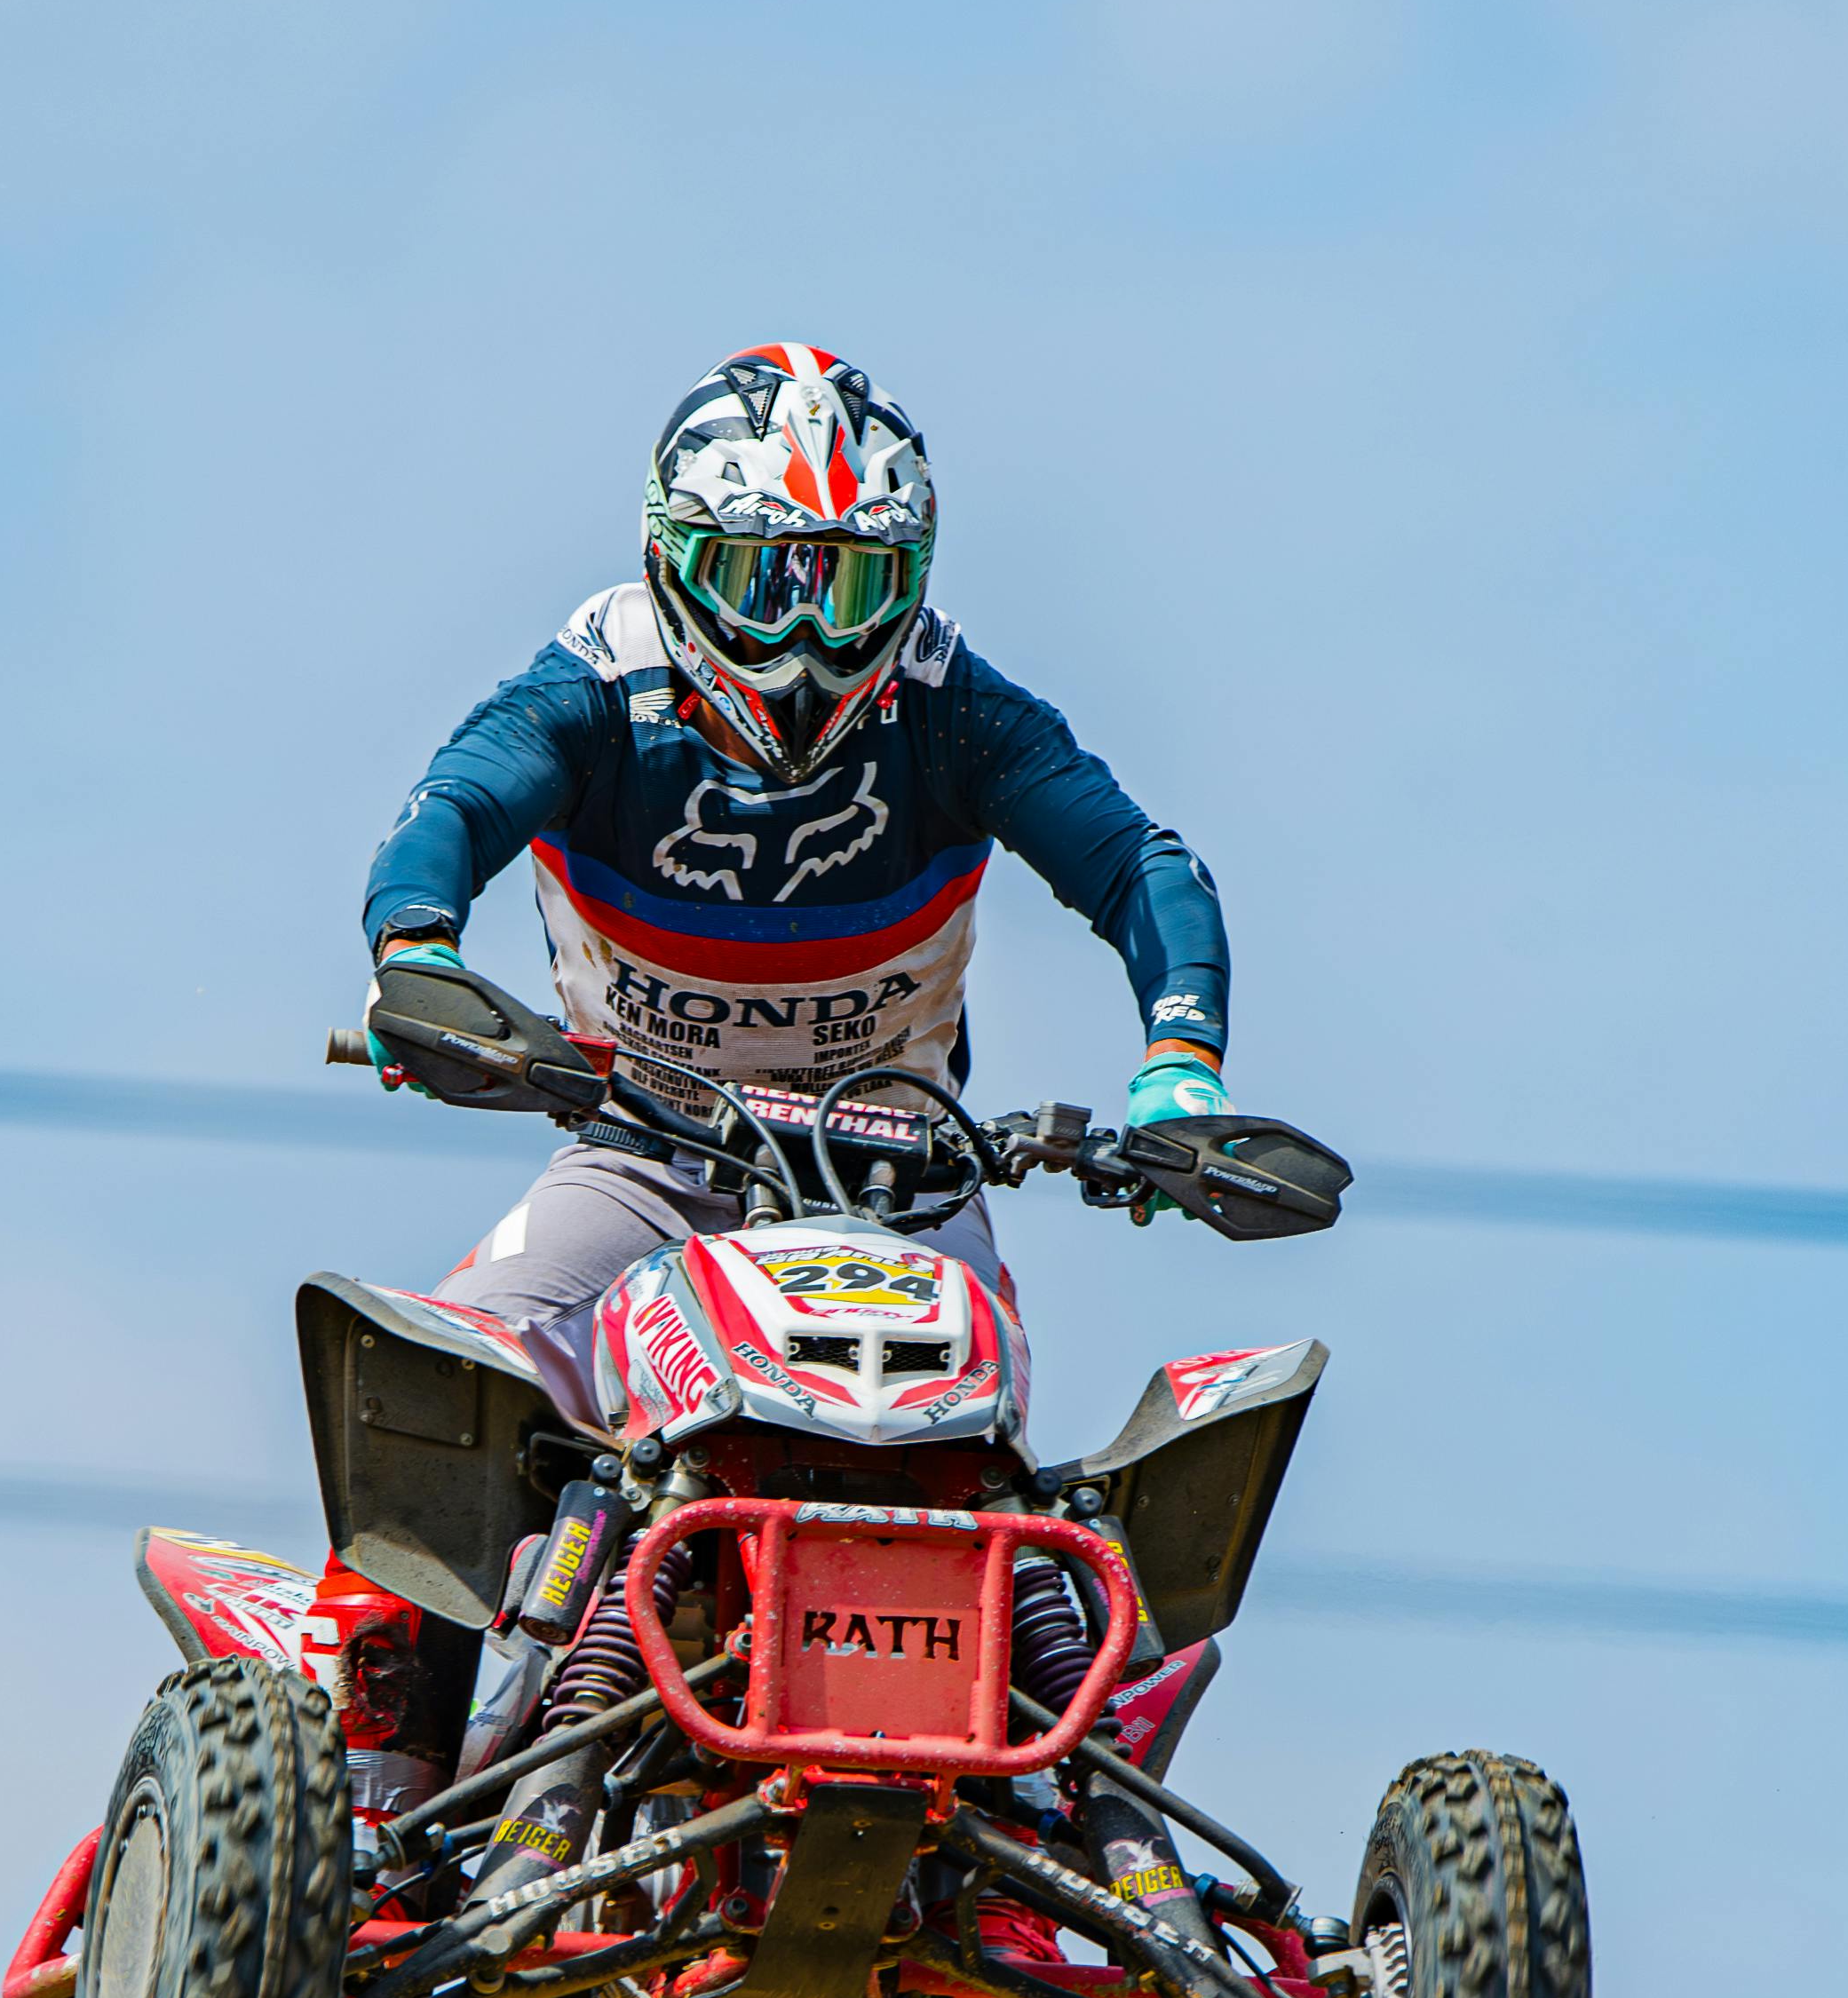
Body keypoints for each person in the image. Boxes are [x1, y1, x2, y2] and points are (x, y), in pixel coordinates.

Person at [360, 343, 1234, 1413]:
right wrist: (415, 954)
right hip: (642, 1158)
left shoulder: (950, 699)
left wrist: (1181, 1062)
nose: (807, 641)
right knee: (438, 1381)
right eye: (758, 581)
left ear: (911, 576)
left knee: (978, 1436)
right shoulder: (598, 674)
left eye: (852, 584)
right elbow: (452, 807)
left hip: (899, 1181)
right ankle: (353, 1595)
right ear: (667, 557)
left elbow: (1140, 866)